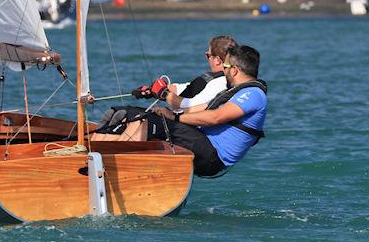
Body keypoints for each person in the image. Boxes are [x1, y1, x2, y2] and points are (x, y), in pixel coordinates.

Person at [101, 45, 267, 177]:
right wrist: (169, 113)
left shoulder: (253, 94)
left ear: (234, 70)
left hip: (212, 155)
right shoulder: (235, 91)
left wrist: (175, 118)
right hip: (201, 141)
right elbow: (201, 109)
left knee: (142, 121)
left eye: (225, 66)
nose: (223, 71)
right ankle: (95, 153)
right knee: (127, 113)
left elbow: (216, 117)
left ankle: (117, 172)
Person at [132, 35, 236, 111]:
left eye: (207, 55)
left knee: (132, 116)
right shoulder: (215, 79)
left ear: (217, 60)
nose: (206, 58)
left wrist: (165, 95)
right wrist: (152, 91)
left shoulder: (221, 83)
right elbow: (186, 89)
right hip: (181, 121)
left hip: (189, 129)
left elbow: (192, 106)